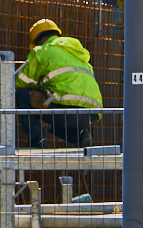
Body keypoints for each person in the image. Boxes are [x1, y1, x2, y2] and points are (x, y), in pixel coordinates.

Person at [16, 19, 104, 147]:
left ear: (41, 38)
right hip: (90, 116)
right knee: (57, 118)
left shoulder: (41, 51)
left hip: (64, 112)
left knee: (23, 94)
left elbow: (22, 82)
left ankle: (37, 141)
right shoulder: (77, 53)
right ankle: (81, 135)